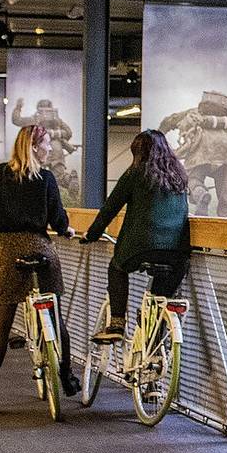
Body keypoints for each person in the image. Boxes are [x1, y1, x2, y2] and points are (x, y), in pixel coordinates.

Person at [0, 124, 78, 414]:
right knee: (56, 316)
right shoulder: (46, 178)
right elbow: (57, 218)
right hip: (41, 248)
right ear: (34, 147)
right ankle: (67, 376)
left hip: (9, 250)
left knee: (3, 321)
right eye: (46, 144)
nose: (49, 149)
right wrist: (65, 230)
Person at [84, 129, 191, 342]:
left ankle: (116, 324)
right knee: (159, 299)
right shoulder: (179, 176)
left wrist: (93, 233)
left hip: (140, 248)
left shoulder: (136, 173)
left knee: (117, 268)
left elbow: (110, 208)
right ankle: (153, 345)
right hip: (177, 253)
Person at [158, 91, 227, 217]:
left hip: (200, 155)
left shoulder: (193, 113)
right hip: (225, 156)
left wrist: (160, 134)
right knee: (226, 190)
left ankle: (201, 194)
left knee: (192, 180)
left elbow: (170, 120)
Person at [12, 98, 78, 198]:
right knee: (58, 175)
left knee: (35, 175)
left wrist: (18, 107)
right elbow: (68, 133)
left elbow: (17, 120)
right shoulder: (57, 121)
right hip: (56, 148)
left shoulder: (36, 119)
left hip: (38, 150)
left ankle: (41, 193)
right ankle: (69, 180)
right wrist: (55, 133)